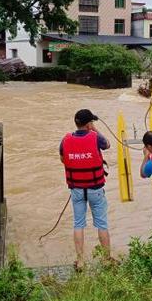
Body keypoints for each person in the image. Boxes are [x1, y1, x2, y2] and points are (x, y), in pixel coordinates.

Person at [59, 109, 111, 270]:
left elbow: (63, 159)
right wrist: (93, 129)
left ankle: (80, 261)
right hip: (96, 188)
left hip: (77, 190)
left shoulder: (65, 140)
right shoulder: (95, 138)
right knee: (102, 224)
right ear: (89, 124)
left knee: (78, 224)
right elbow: (107, 144)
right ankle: (106, 259)